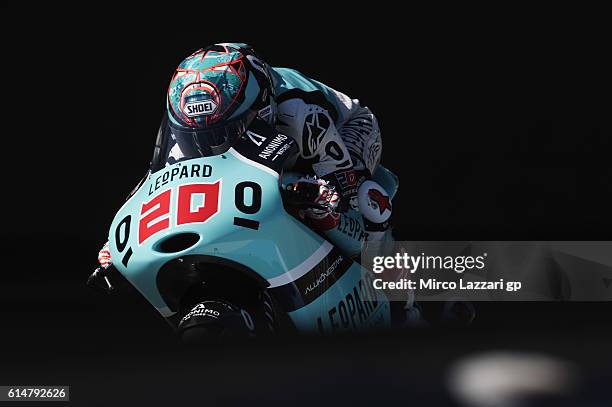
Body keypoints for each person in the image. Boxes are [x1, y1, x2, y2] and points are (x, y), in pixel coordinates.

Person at [96, 42, 392, 269]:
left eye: (226, 133)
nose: (211, 148)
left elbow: (346, 205)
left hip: (346, 128)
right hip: (278, 146)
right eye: (196, 139)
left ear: (261, 109)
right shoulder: (191, 127)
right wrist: (116, 240)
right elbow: (156, 184)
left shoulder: (301, 113)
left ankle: (401, 296)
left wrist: (330, 212)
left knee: (362, 204)